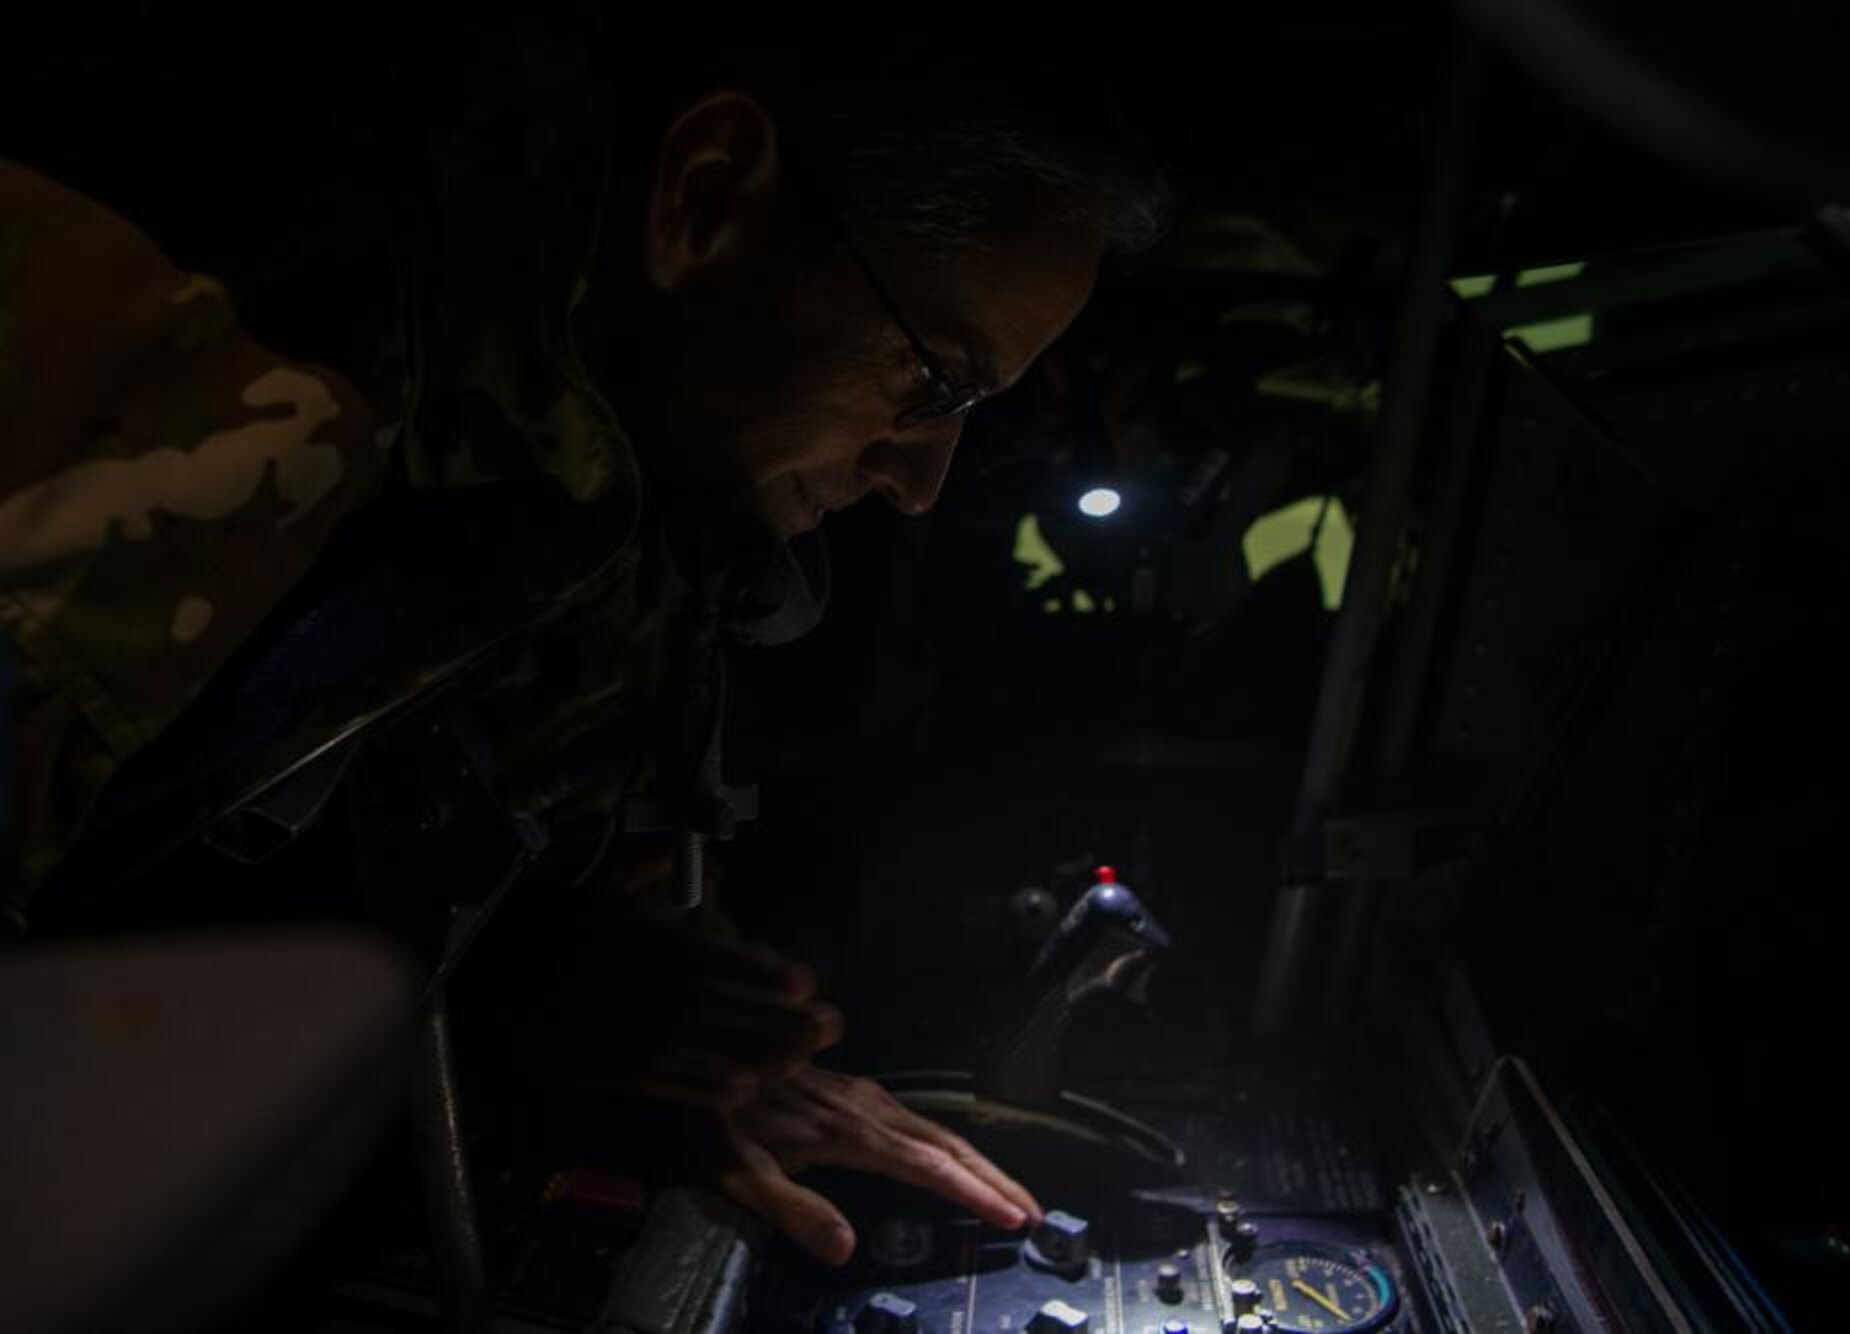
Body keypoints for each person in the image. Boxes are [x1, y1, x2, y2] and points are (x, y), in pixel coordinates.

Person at [0, 11, 1168, 1267]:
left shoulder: (556, 443)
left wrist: (522, 983)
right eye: (929, 378)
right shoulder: (238, 318)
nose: (922, 480)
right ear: (707, 195)